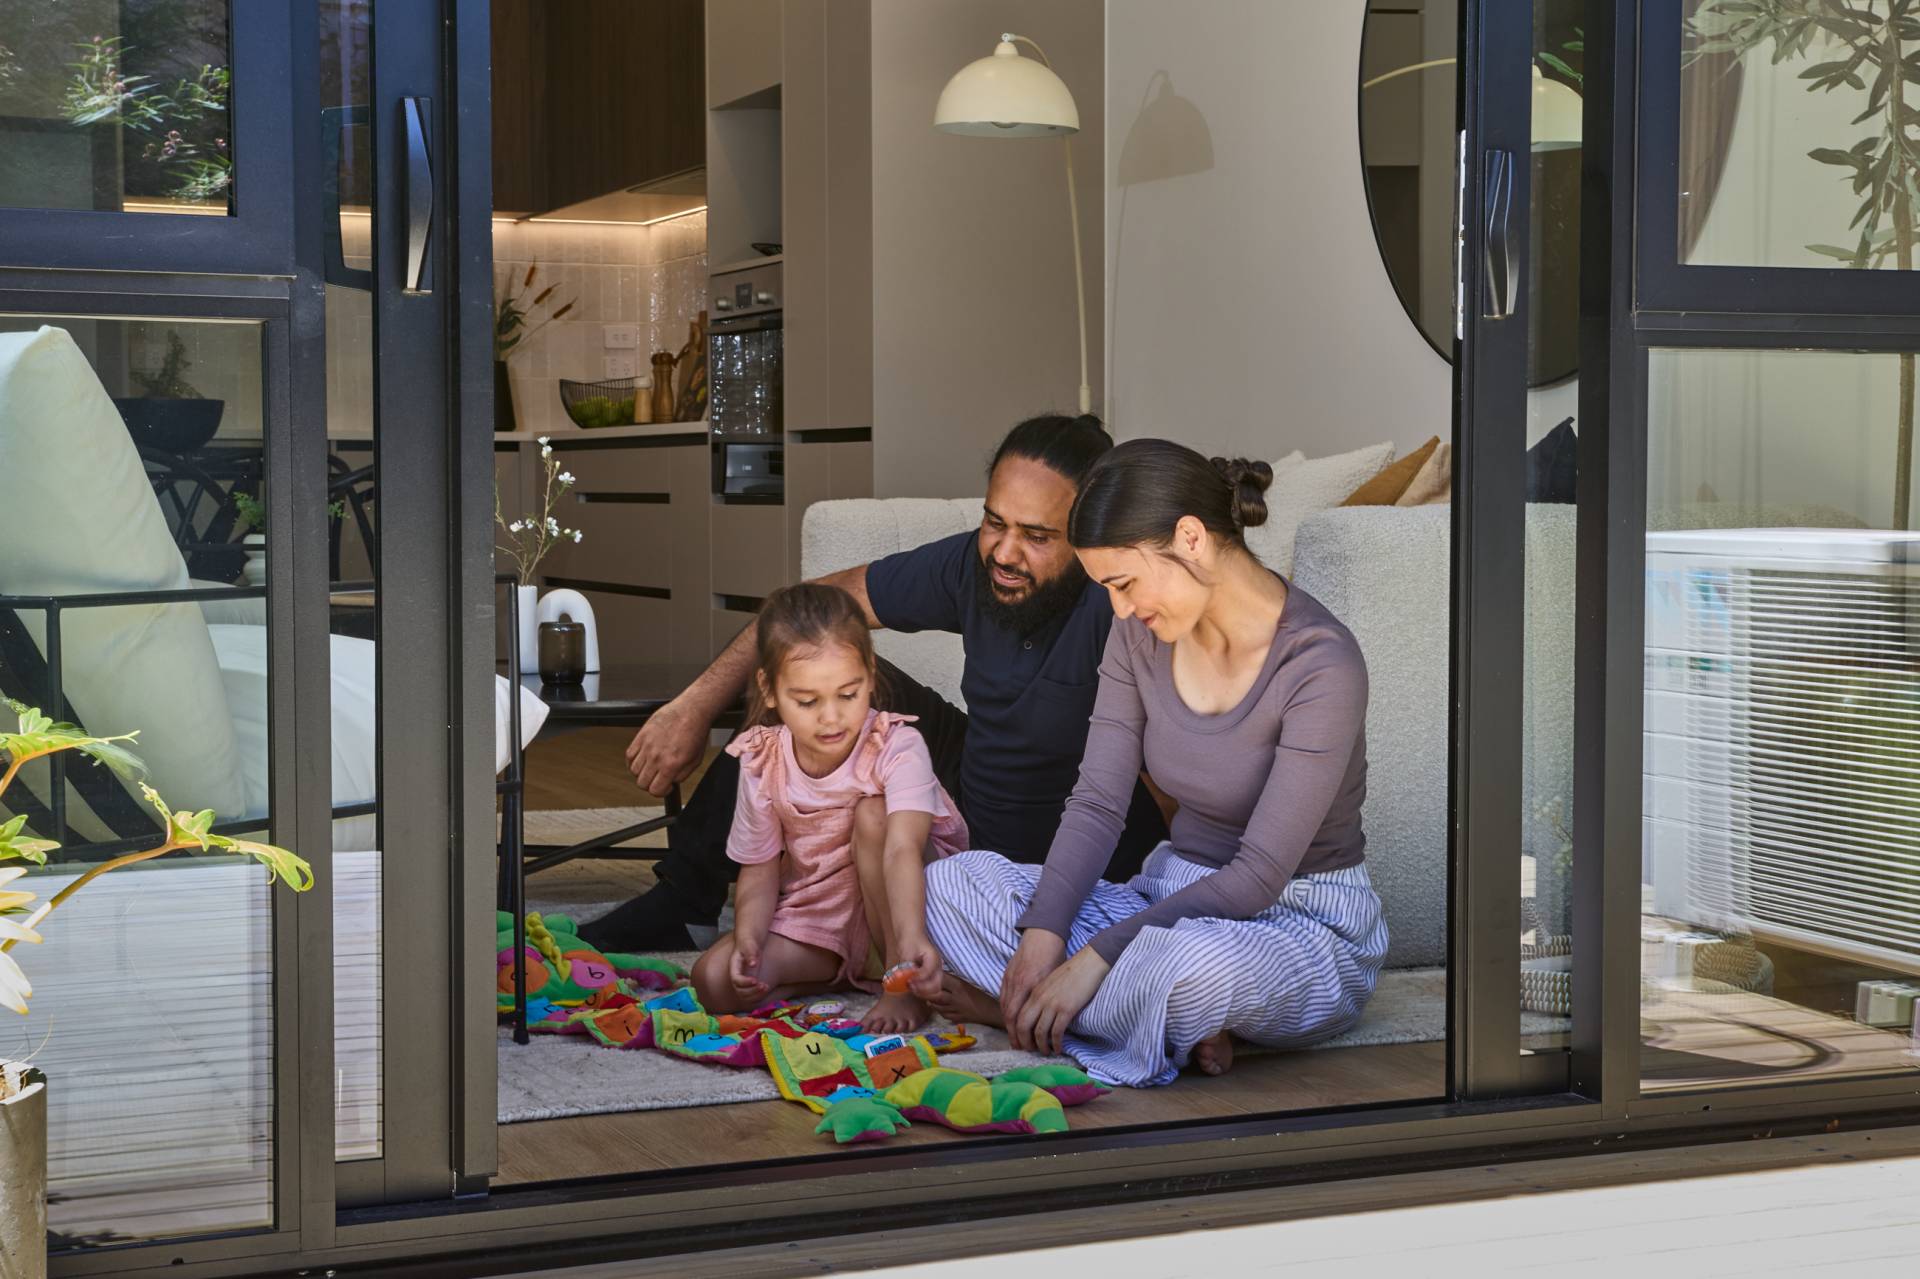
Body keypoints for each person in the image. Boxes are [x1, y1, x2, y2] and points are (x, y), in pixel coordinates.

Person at [581, 414, 1168, 953]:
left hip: (1064, 843)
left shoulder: (1122, 604)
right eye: (995, 522)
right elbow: (801, 611)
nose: (1005, 552)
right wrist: (693, 707)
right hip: (968, 791)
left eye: (1037, 536)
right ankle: (686, 898)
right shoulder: (972, 563)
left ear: (1091, 534)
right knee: (809, 665)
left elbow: (1168, 776)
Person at [921, 439, 1389, 1088]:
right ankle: (1150, 1022)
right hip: (1165, 897)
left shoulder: (1320, 663)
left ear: (1190, 539)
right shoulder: (1139, 632)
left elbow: (1257, 875)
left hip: (1297, 922)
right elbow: (1098, 802)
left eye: (1124, 583)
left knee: (1189, 972)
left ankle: (1035, 1011)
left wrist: (1094, 958)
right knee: (948, 887)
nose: (1119, 609)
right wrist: (1044, 933)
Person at [689, 582, 967, 1033]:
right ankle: (841, 972)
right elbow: (759, 868)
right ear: (770, 690)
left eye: (848, 694)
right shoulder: (764, 759)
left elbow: (903, 850)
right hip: (822, 915)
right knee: (713, 981)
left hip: (909, 907)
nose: (831, 718)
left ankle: (901, 982)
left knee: (873, 813)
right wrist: (748, 940)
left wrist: (911, 942)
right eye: (807, 702)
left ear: (870, 676)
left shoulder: (897, 746)